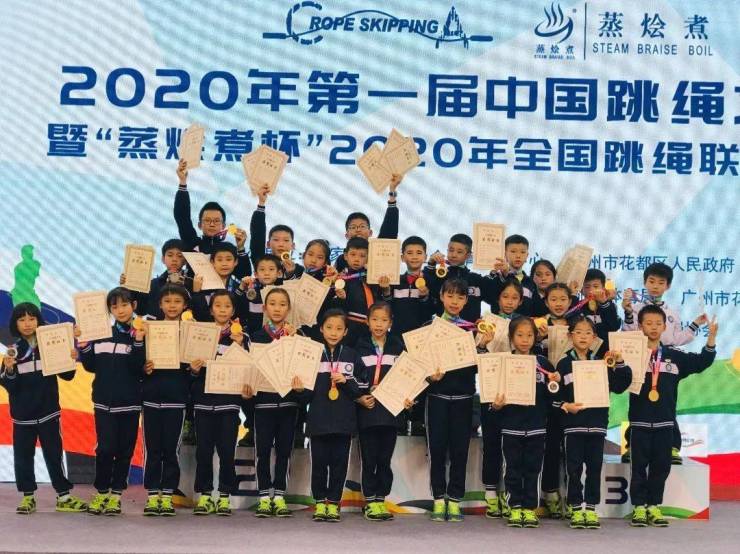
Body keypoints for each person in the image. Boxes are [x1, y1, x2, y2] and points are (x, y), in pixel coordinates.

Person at [1, 303, 87, 514]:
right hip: (22, 416)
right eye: (22, 319)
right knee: (23, 458)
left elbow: (68, 376)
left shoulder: (49, 346)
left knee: (54, 455)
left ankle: (64, 496)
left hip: (49, 413)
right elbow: (10, 386)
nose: (27, 324)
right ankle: (28, 498)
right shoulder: (13, 352)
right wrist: (9, 369)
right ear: (15, 324)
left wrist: (70, 356)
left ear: (39, 321)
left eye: (31, 319)